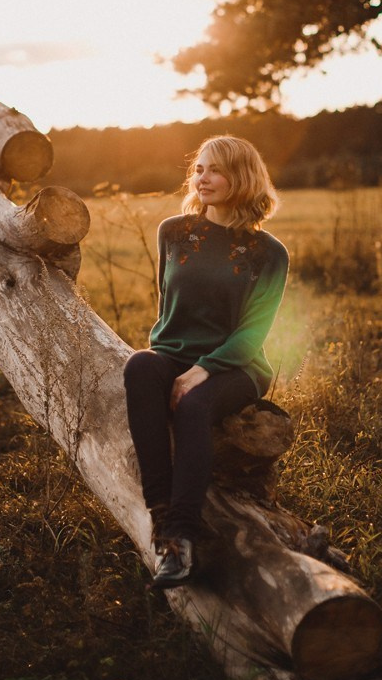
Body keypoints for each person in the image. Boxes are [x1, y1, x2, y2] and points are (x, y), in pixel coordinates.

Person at [123, 135, 289, 588]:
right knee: (139, 366)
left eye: (214, 170)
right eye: (199, 169)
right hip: (173, 354)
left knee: (194, 405)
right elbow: (167, 308)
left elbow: (254, 332)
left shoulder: (269, 253)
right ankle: (160, 518)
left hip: (238, 367)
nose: (202, 178)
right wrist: (171, 363)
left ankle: (181, 534)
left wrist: (201, 370)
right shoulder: (173, 232)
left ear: (242, 177)